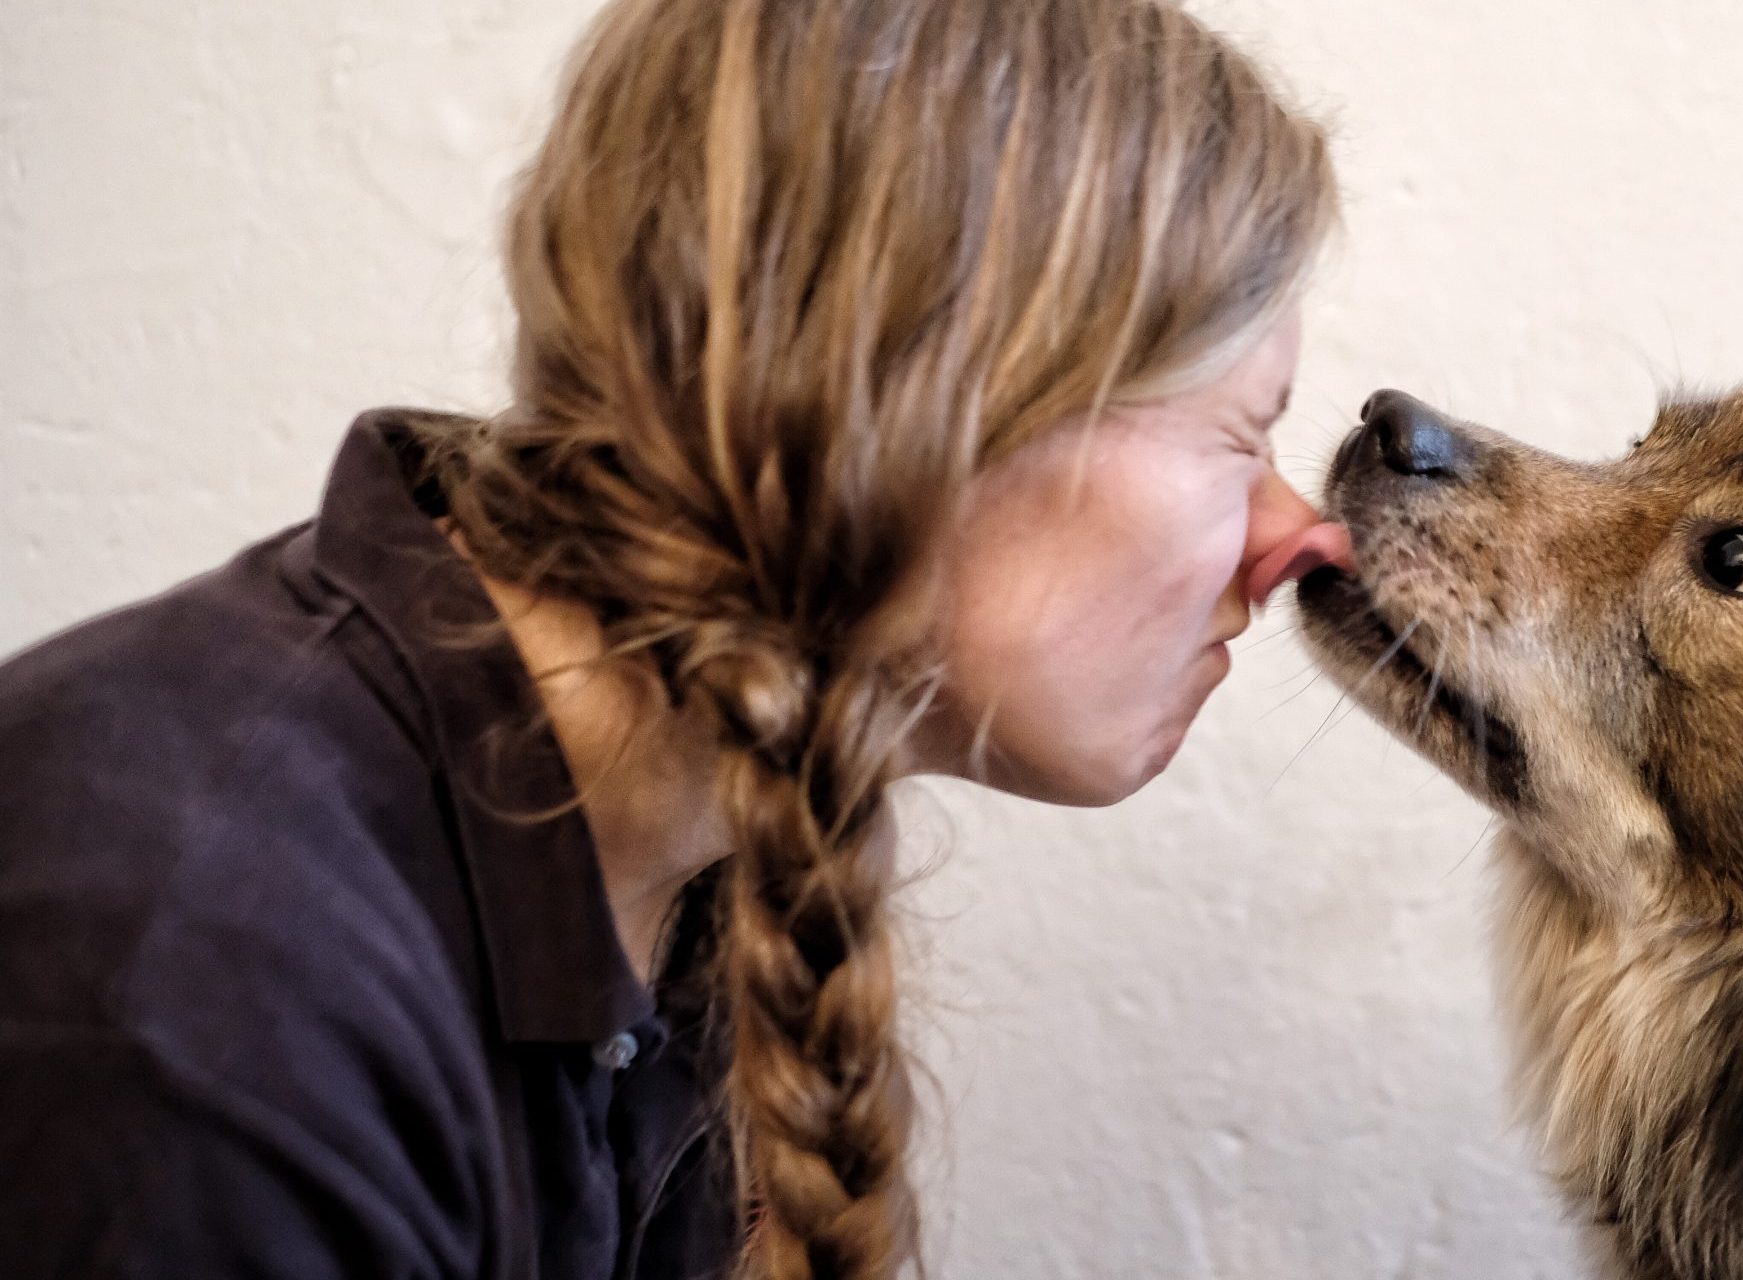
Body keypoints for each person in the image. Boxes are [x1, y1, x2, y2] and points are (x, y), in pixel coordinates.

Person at [0, 0, 1354, 1276]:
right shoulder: (202, 989)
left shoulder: (683, 882)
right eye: (1243, 432)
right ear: (923, 398)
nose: (1305, 536)